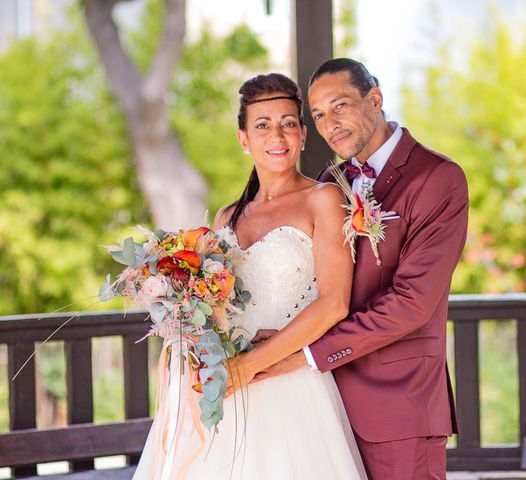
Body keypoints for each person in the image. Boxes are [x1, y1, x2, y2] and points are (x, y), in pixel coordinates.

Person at [131, 73, 367, 480]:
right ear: (243, 139)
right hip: (224, 386)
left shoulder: (324, 199)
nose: (277, 135)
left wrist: (251, 366)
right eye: (262, 125)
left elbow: (334, 304)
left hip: (287, 386)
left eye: (288, 123)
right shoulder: (227, 217)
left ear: (303, 134)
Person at [254, 58, 469, 480]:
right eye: (317, 115)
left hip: (399, 408)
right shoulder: (327, 182)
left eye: (340, 106)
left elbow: (411, 303)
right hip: (322, 409)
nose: (330, 124)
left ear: (375, 98)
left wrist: (307, 355)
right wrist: (279, 336)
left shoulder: (438, 178)